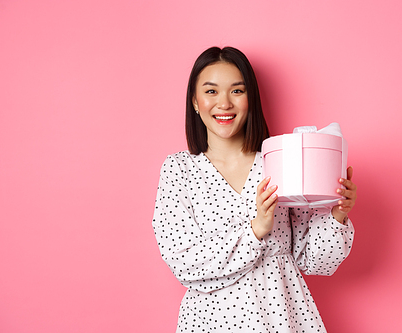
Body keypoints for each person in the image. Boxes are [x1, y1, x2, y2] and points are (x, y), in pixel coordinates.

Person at [152, 46, 357, 333]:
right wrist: (255, 230)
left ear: (251, 99)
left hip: (285, 319)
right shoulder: (179, 170)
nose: (224, 103)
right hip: (210, 322)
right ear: (195, 102)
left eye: (237, 91)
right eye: (211, 91)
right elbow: (184, 262)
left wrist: (335, 215)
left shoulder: (280, 160)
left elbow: (315, 261)